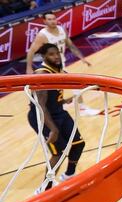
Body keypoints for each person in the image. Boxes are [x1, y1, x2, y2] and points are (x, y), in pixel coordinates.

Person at [28, 43, 85, 191]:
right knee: (58, 153)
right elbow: (40, 106)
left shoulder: (57, 69)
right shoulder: (42, 74)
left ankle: (68, 176)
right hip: (42, 117)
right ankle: (44, 188)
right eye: (52, 54)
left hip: (58, 112)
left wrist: (63, 100)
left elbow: (70, 82)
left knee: (78, 144)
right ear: (43, 56)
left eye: (57, 53)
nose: (56, 56)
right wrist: (53, 129)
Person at [25, 13, 98, 116]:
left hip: (60, 65)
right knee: (74, 84)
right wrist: (29, 68)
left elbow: (71, 45)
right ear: (45, 22)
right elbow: (31, 51)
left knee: (58, 90)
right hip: (49, 68)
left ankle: (55, 108)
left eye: (54, 19)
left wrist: (82, 58)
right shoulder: (42, 35)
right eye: (49, 19)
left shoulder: (62, 30)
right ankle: (81, 109)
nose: (53, 21)